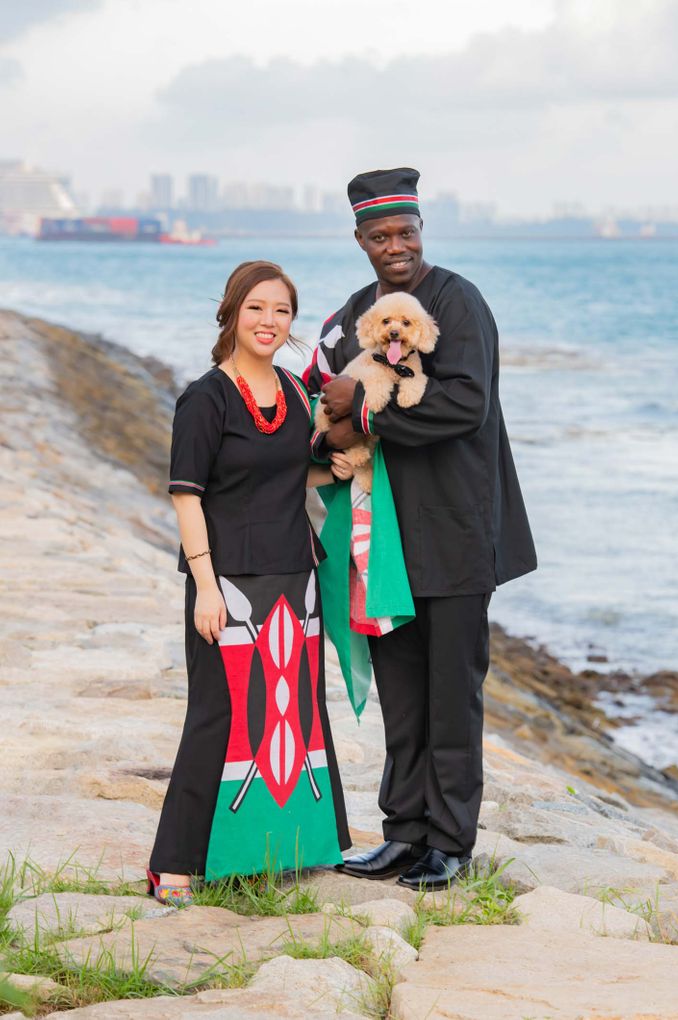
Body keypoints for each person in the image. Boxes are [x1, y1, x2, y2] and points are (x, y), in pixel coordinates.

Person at [304, 168, 537, 891]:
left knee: (452, 691)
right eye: (380, 236)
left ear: (420, 230)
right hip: (380, 540)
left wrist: (365, 413)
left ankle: (450, 841)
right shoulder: (347, 316)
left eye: (405, 232)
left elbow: (466, 405)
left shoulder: (457, 302)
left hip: (454, 531)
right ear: (360, 240)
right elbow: (320, 390)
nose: (395, 245)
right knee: (402, 691)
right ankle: (402, 832)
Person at [147, 260, 353, 905]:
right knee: (222, 712)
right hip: (228, 579)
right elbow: (188, 497)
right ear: (233, 312)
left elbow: (289, 475)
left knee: (296, 711)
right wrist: (204, 587)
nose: (269, 321)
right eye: (257, 308)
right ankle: (174, 864)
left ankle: (287, 846)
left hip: (296, 572)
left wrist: (336, 471)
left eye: (282, 311)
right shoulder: (204, 397)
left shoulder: (295, 393)